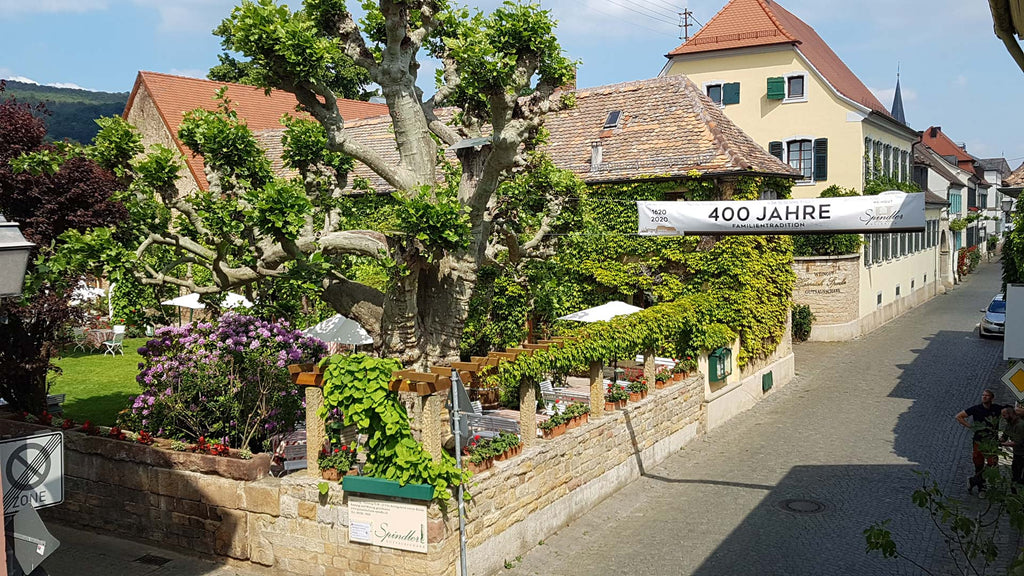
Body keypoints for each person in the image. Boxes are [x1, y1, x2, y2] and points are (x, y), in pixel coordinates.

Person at [956, 389, 1004, 493]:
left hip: (992, 441)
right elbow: (959, 416)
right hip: (979, 440)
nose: (984, 397)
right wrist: (971, 426)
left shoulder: (996, 408)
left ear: (992, 398)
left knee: (993, 463)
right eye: (983, 395)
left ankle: (973, 481)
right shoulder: (976, 409)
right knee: (978, 464)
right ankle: (981, 486)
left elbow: (1010, 411)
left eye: (987, 395)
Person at [1003, 404, 1024, 486]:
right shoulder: (1010, 423)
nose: (1003, 417)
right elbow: (1005, 435)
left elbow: (1017, 442)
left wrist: (1002, 443)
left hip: (1021, 453)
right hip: (1018, 453)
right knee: (1015, 475)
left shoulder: (1020, 425)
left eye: (1004, 415)